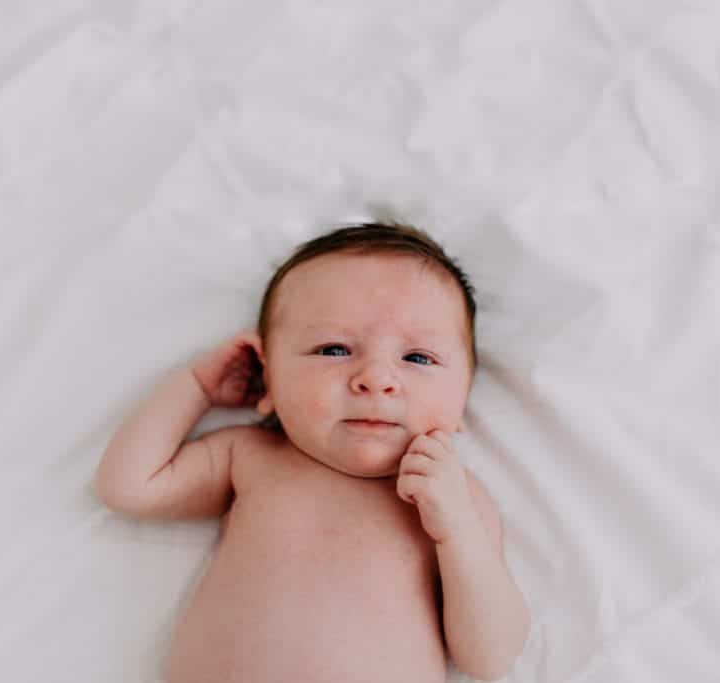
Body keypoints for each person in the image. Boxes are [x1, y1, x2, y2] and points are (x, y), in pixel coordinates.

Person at [95, 222, 529, 682]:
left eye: (418, 358)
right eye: (334, 349)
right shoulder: (252, 456)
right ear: (268, 377)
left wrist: (457, 530)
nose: (376, 379)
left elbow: (490, 659)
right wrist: (196, 387)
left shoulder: (456, 501)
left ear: (464, 396)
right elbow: (129, 488)